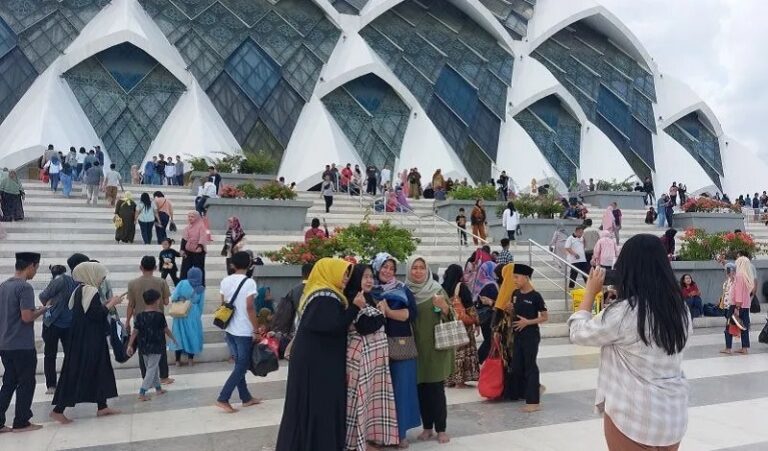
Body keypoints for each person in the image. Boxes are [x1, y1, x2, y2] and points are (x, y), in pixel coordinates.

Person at [568, 235, 692, 450]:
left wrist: (589, 294)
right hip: (673, 415)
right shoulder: (681, 311)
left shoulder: (624, 312)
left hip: (633, 414)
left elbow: (578, 333)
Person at [276, 258, 365, 450]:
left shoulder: (322, 294)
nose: (346, 278)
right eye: (343, 273)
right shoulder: (325, 297)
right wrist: (355, 307)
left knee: (312, 404)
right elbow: (332, 326)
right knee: (319, 405)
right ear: (329, 273)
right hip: (317, 363)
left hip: (316, 359)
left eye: (348, 274)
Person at [50, 262, 124, 423]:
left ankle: (102, 406)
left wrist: (107, 303)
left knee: (98, 369)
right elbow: (96, 315)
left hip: (84, 338)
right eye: (101, 275)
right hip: (89, 340)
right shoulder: (90, 290)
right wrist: (112, 303)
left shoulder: (81, 290)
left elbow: (89, 311)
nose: (102, 278)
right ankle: (58, 409)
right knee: (80, 371)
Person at [344, 264, 399, 449]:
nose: (369, 280)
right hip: (360, 359)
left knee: (371, 400)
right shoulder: (353, 298)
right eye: (364, 277)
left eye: (370, 277)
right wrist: (383, 315)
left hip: (373, 360)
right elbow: (364, 326)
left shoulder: (369, 297)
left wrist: (380, 316)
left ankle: (368, 437)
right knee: (359, 401)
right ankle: (357, 441)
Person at [370, 253, 420, 447]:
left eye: (391, 268)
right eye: (384, 266)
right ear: (377, 267)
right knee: (378, 391)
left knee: (401, 390)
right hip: (375, 347)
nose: (388, 271)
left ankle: (400, 433)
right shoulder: (369, 289)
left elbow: (411, 314)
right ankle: (378, 434)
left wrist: (389, 312)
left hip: (400, 346)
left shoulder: (402, 289)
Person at [405, 256, 454, 444]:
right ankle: (427, 427)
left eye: (421, 268)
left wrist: (444, 308)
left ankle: (441, 429)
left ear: (427, 270)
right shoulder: (405, 291)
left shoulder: (436, 290)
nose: (418, 271)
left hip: (434, 348)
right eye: (414, 268)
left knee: (435, 390)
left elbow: (452, 316)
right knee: (421, 390)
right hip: (414, 349)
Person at [0, 253, 47, 432]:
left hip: (5, 343)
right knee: (26, 382)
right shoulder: (24, 288)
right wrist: (41, 311)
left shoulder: (3, 286)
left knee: (9, 382)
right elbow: (26, 317)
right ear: (31, 266)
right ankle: (21, 421)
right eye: (36, 267)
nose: (36, 271)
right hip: (21, 344)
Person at [215, 252, 261, 412]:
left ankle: (246, 397)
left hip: (229, 328)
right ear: (249, 265)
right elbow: (250, 307)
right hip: (243, 329)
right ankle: (223, 397)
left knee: (239, 363)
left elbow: (223, 303)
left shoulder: (225, 281)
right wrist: (256, 329)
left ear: (232, 265)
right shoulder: (249, 283)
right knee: (242, 365)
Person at [506, 264, 548, 412]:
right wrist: (510, 309)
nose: (515, 280)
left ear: (525, 277)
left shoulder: (535, 296)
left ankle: (533, 402)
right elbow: (514, 314)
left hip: (531, 335)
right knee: (517, 366)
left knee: (530, 366)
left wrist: (527, 322)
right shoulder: (515, 294)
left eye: (516, 277)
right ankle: (535, 387)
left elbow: (544, 317)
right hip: (517, 335)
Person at [125, 256, 173, 385]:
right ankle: (163, 376)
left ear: (141, 267)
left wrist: (127, 322)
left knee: (142, 349)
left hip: (140, 320)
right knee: (160, 348)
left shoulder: (132, 283)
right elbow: (166, 302)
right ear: (156, 268)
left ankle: (146, 377)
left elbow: (131, 305)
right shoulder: (161, 282)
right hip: (157, 319)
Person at [126, 289, 178, 401]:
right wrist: (173, 338)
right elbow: (166, 329)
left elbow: (135, 331)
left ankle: (158, 389)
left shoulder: (139, 316)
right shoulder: (159, 315)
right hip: (156, 345)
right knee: (151, 369)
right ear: (156, 301)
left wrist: (130, 345)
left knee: (152, 368)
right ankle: (142, 392)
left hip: (143, 346)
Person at [38, 264, 78, 394]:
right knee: (70, 354)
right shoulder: (72, 281)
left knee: (50, 355)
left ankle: (51, 385)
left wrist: (48, 303)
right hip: (69, 322)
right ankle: (70, 382)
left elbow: (43, 295)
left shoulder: (58, 281)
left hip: (53, 323)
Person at [443, 264, 479, 388]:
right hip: (462, 326)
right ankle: (460, 381)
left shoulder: (442, 288)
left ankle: (450, 379)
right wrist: (476, 321)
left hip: (448, 325)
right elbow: (469, 306)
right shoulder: (461, 287)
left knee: (451, 353)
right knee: (462, 352)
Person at [168, 267, 205, 366]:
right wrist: (197, 315)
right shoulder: (201, 288)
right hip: (193, 313)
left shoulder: (182, 283)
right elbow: (201, 304)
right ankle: (190, 360)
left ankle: (177, 361)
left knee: (178, 335)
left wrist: (181, 298)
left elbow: (174, 297)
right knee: (192, 335)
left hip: (181, 312)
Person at [722, 256, 753, 355]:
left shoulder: (739, 276)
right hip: (746, 306)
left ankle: (728, 348)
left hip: (736, 305)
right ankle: (744, 348)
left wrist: (737, 307)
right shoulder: (747, 276)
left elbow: (738, 292)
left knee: (728, 326)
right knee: (744, 327)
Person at [181, 211, 211, 282]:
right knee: (185, 269)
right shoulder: (187, 227)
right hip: (188, 250)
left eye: (192, 216)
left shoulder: (201, 226)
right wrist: (182, 249)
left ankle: (200, 285)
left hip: (198, 251)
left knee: (199, 269)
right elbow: (184, 239)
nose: (190, 218)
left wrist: (200, 246)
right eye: (189, 216)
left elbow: (203, 237)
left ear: (197, 218)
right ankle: (183, 285)